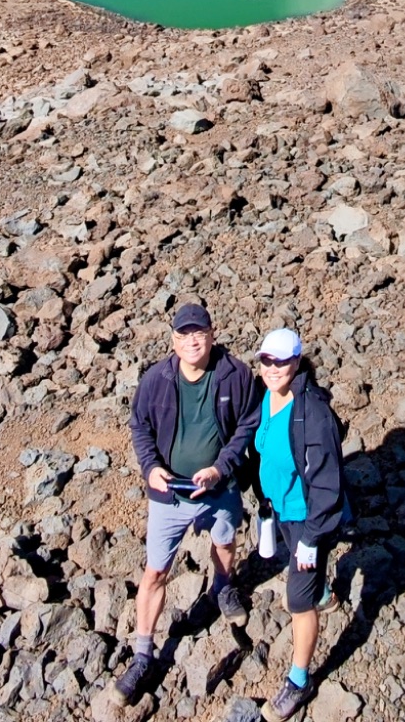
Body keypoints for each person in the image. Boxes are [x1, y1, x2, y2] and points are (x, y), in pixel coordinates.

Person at [112, 301, 261, 703]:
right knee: (156, 572)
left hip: (220, 486)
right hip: (169, 494)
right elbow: (139, 425)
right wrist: (149, 467)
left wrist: (222, 467)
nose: (193, 341)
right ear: (174, 341)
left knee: (226, 541)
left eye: (200, 333)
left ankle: (222, 586)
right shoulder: (156, 380)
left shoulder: (236, 375)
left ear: (213, 334)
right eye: (184, 335)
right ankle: (143, 654)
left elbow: (249, 423)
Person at [249, 327, 349, 721]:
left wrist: (311, 538)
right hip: (281, 510)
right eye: (266, 360)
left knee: (297, 602)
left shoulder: (313, 413)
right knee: (302, 574)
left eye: (281, 360)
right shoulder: (267, 398)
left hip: (309, 519)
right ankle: (323, 590)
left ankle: (299, 679)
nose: (273, 368)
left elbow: (327, 483)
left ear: (297, 360)